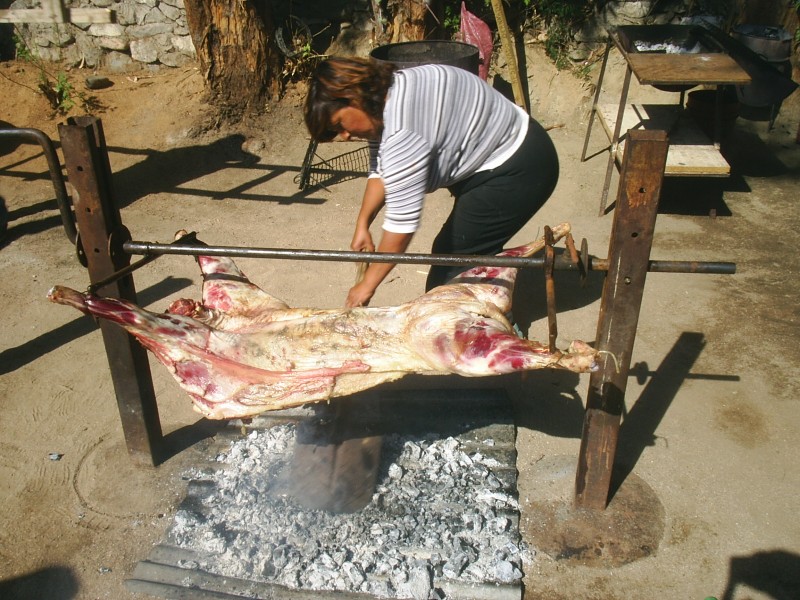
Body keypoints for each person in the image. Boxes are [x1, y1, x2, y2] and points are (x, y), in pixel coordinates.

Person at [304, 57, 559, 308]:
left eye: (340, 124)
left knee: (450, 270)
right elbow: (380, 165)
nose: (345, 135)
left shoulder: (403, 131)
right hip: (504, 146)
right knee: (462, 252)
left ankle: (480, 336)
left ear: (353, 96)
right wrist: (363, 223)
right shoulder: (389, 92)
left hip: (519, 168)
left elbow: (402, 224)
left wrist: (366, 286)